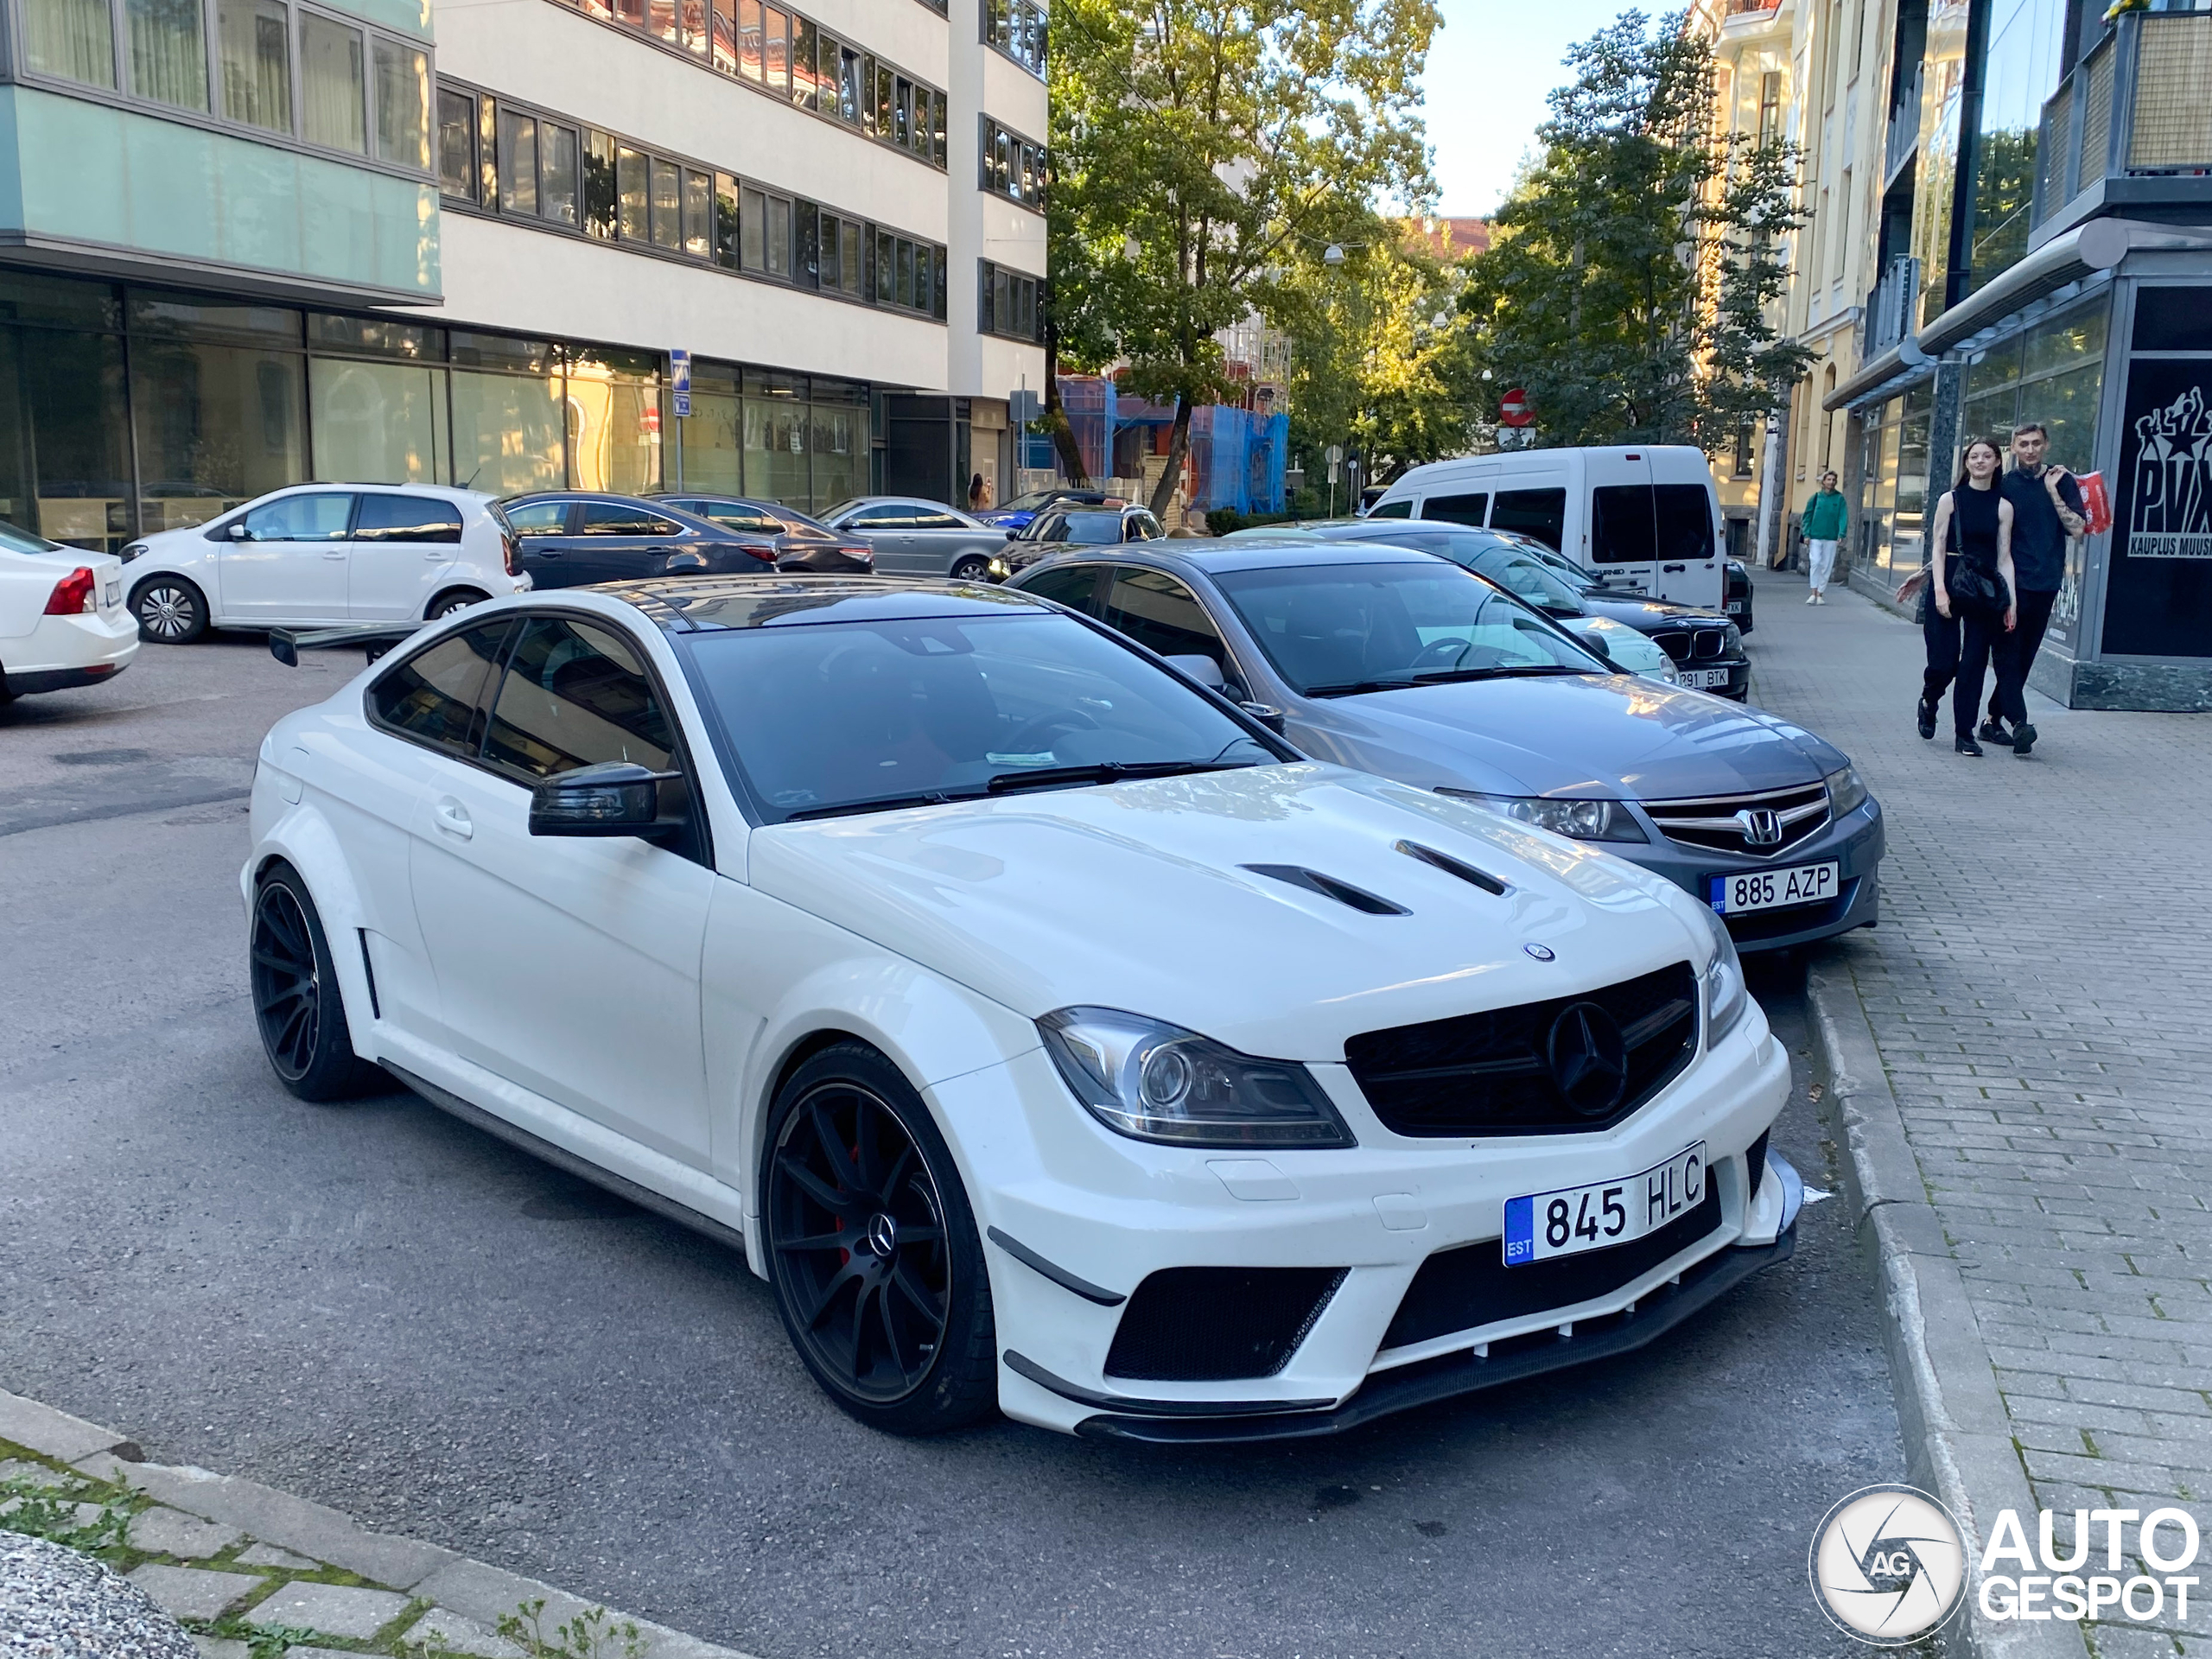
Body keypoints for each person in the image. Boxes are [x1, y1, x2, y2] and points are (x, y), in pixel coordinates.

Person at [1982, 421, 2083, 758]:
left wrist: (2054, 493)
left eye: (2035, 443)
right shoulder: (2004, 485)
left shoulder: (2062, 481)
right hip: (2010, 584)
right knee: (2008, 656)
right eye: (2023, 444)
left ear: (2045, 445)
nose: (2029, 450)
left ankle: (1992, 719)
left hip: (2047, 583)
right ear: (2013, 448)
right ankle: (2021, 723)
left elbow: (2079, 529)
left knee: (2023, 659)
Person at [1919, 436, 2018, 756]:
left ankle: (1965, 733)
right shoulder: (1951, 500)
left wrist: (2010, 601)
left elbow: (2004, 557)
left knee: (1973, 664)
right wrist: (1938, 590)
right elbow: (1937, 545)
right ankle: (1929, 699)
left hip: (1982, 590)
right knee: (1944, 662)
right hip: (1948, 582)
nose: (1979, 461)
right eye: (1973, 456)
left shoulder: (2003, 507)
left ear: (1997, 462)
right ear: (1966, 463)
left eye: (1986, 456)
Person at [1801, 471, 1847, 603]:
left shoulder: (1839, 499)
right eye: (1829, 479)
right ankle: (1813, 592)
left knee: (1826, 565)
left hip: (1831, 537)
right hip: (1815, 535)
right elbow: (1807, 516)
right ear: (1824, 482)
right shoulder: (1816, 497)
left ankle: (1820, 593)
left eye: (1833, 480)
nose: (1831, 482)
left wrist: (1841, 533)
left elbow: (1843, 517)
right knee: (1815, 562)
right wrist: (1806, 534)